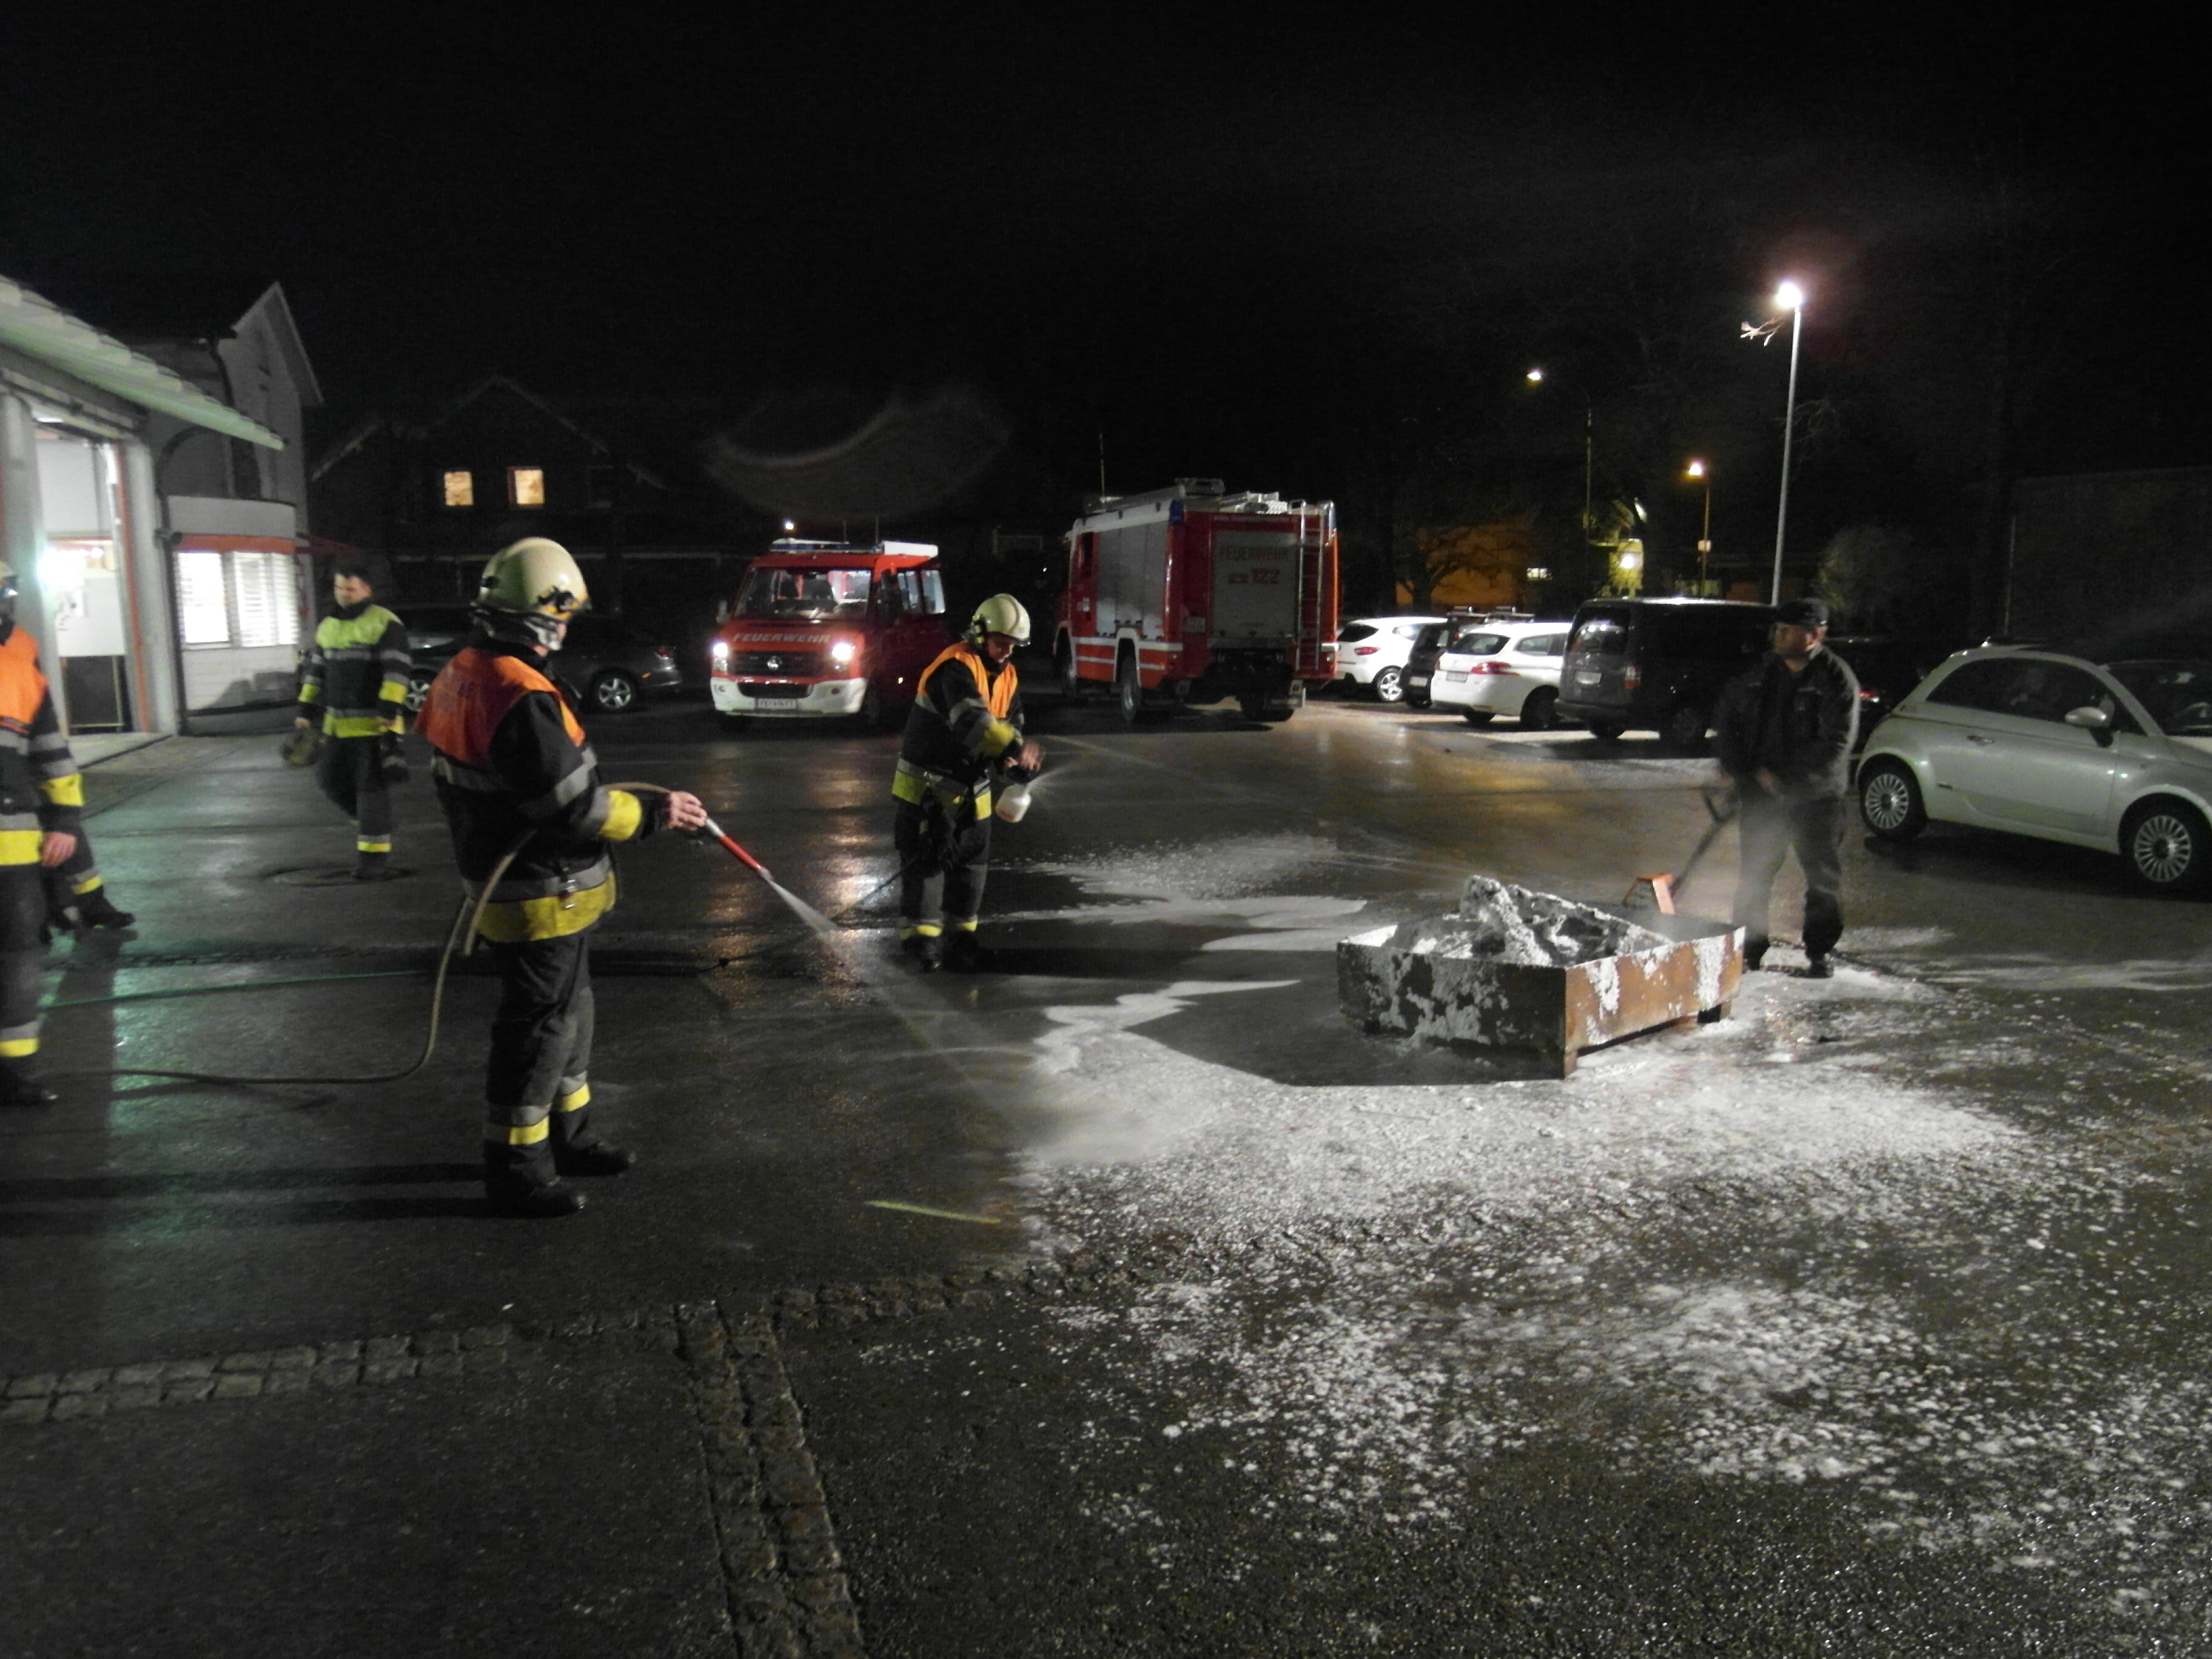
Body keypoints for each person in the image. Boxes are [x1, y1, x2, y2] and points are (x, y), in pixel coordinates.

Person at [416, 538, 707, 1219]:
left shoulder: (466, 670)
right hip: (538, 888)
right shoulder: (516, 692)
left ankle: (568, 1137)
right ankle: (517, 1171)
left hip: (525, 882)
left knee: (569, 1016)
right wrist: (656, 813)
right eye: (562, 617)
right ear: (540, 616)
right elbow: (571, 808)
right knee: (541, 1029)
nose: (566, 630)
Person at [891, 593, 1043, 972]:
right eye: (1001, 643)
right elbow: (972, 722)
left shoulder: (1007, 675)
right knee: (927, 865)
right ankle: (921, 944)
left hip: (971, 791)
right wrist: (1015, 748)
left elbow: (1011, 724)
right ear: (979, 633)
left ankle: (962, 941)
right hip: (927, 790)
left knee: (972, 865)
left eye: (1013, 646)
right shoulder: (955, 668)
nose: (1007, 652)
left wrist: (1013, 764)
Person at [1712, 597, 1860, 978]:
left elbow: (1836, 743)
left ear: (1813, 636)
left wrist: (1783, 779)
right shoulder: (1760, 673)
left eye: (1786, 630)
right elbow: (1728, 720)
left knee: (1822, 881)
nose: (1777, 635)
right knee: (1755, 875)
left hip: (1815, 799)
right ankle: (1748, 951)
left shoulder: (1835, 679)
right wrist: (1741, 771)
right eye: (1777, 628)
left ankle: (1819, 952)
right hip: (1762, 798)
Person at [0, 558, 85, 1105]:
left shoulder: (20, 660)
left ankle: (13, 1071)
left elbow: (50, 749)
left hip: (13, 841)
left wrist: (66, 820)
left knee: (20, 954)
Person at [296, 559, 412, 880]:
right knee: (330, 781)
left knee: (370, 792)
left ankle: (373, 864)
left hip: (374, 726)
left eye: (350, 588)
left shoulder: (385, 623)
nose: (343, 594)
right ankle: (375, 823)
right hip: (336, 726)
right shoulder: (327, 626)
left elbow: (397, 669)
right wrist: (305, 710)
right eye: (339, 588)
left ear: (367, 590)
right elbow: (316, 672)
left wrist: (389, 707)